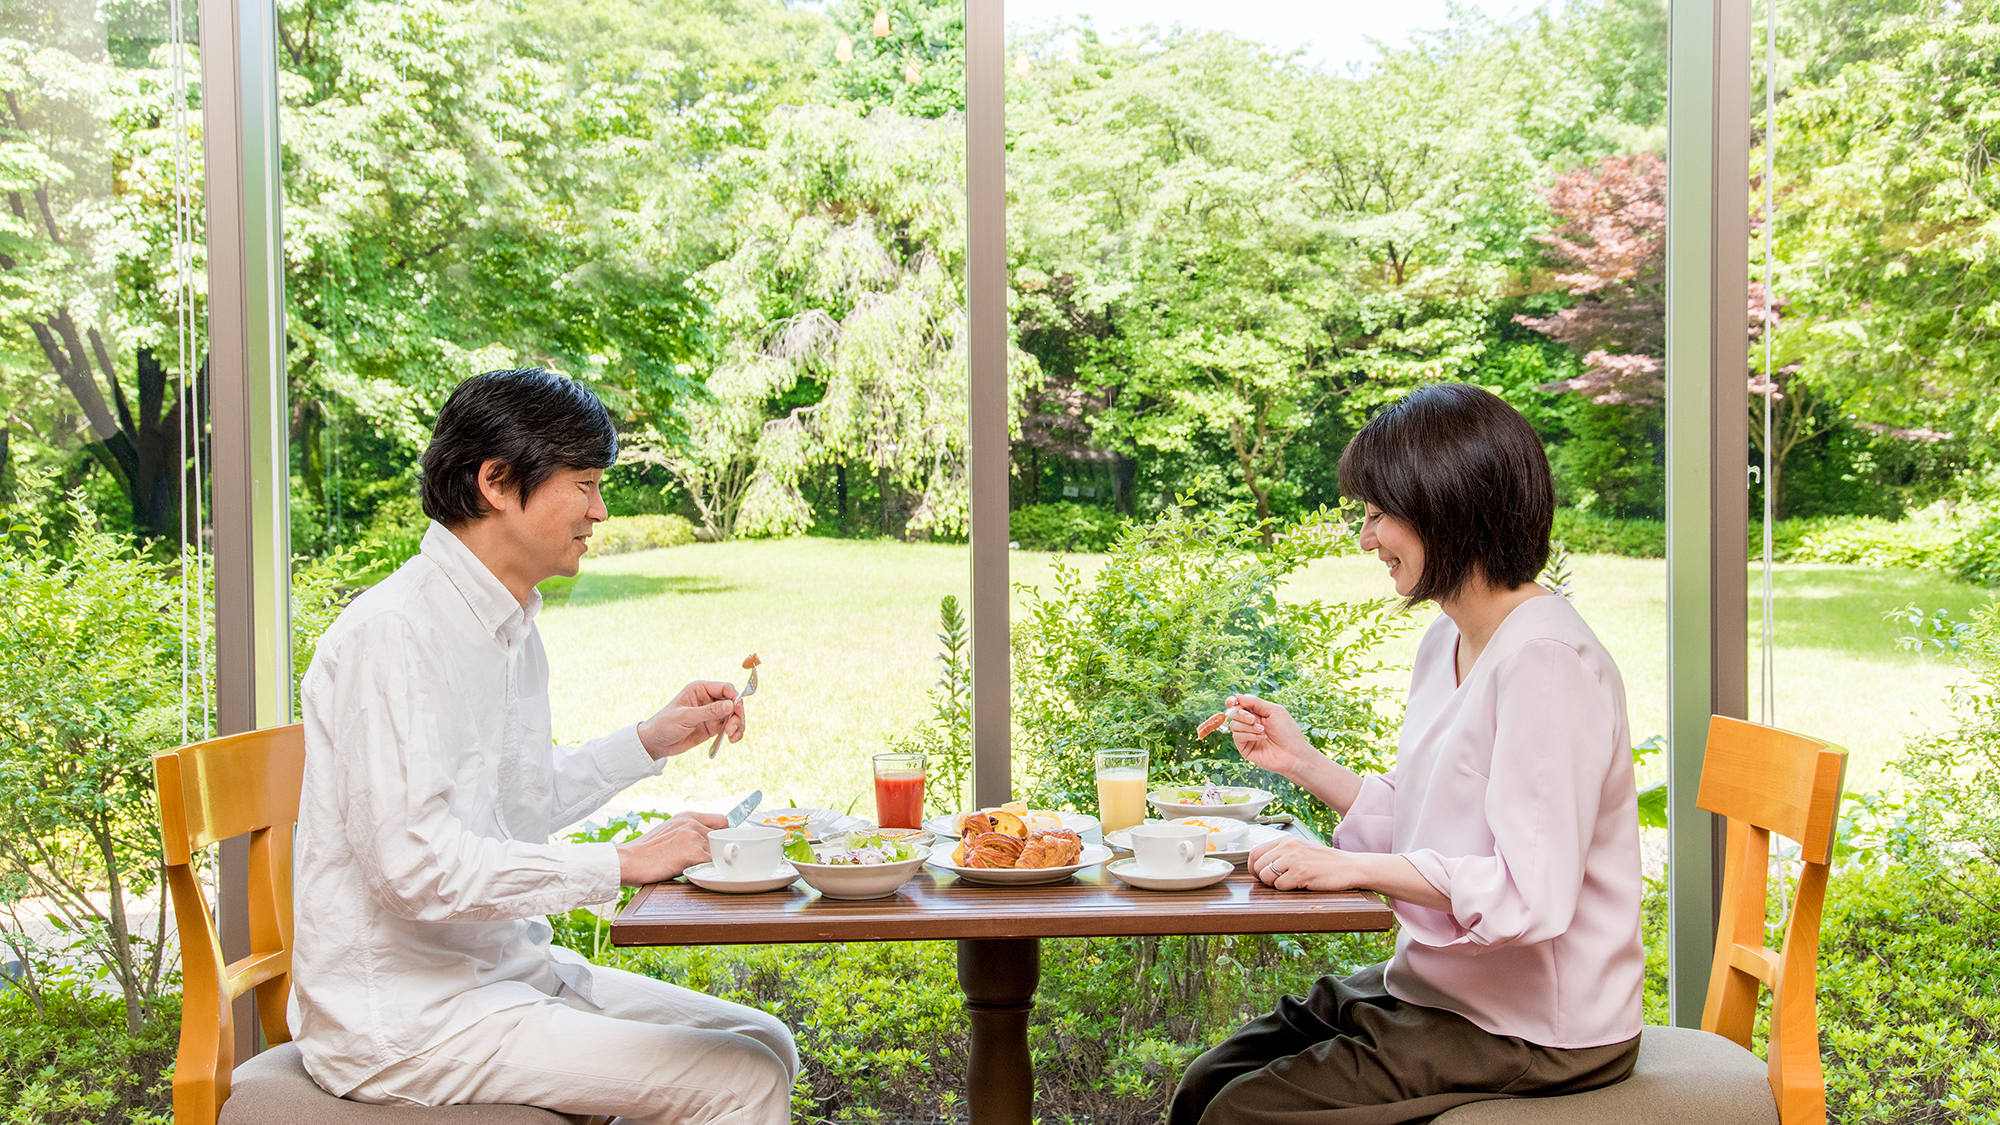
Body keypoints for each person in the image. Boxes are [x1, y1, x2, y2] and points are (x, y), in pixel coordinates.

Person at [291, 368, 798, 1124]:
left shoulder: (507, 625)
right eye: (586, 484)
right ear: (495, 480)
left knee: (764, 1038)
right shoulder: (394, 633)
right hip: (406, 1020)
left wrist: (649, 741)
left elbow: (515, 802)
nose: (599, 511)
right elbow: (415, 866)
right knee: (741, 1077)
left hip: (501, 972)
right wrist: (623, 860)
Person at [1169, 383, 1643, 1125]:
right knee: (1207, 1080)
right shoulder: (1446, 641)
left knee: (1242, 1113)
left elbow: (1530, 892)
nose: (1366, 539)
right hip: (1446, 987)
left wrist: (1351, 867)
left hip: (1538, 1027)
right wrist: (1304, 764)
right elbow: (1437, 834)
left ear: (1448, 506)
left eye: (1379, 513)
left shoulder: (1547, 659)